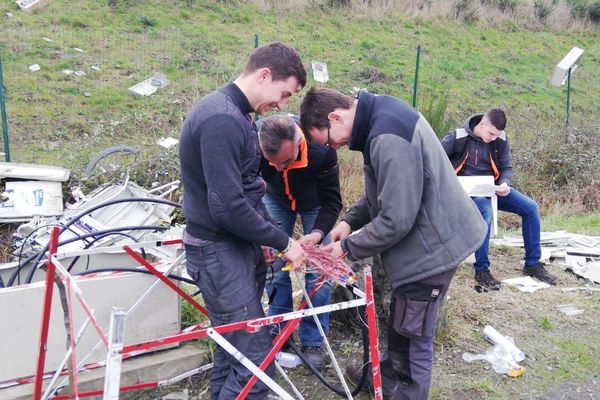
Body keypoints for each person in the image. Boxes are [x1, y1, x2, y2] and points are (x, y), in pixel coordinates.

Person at [299, 87, 487, 400]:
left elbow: (396, 219)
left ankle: (409, 391)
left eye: (331, 139)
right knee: (404, 315)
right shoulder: (379, 116)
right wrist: (349, 222)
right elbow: (383, 189)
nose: (336, 146)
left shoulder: (387, 136)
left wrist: (346, 249)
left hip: (433, 246)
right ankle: (387, 377)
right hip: (426, 237)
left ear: (335, 116)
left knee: (414, 331)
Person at [179, 42, 307, 400]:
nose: (282, 106)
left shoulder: (238, 116)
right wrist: (283, 241)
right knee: (256, 366)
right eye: (284, 94)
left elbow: (248, 189)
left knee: (232, 351)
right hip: (219, 253)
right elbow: (228, 207)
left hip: (234, 248)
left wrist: (264, 238)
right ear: (264, 75)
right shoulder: (221, 119)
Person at [257, 114, 342, 370]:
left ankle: (313, 340)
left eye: (286, 161)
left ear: (299, 142)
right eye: (273, 163)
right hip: (274, 200)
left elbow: (331, 202)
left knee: (318, 273)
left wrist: (317, 233)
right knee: (275, 266)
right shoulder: (253, 142)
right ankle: (279, 330)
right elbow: (247, 187)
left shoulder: (322, 151)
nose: (280, 168)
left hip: (315, 204)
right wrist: (263, 237)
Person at [441, 108, 558, 290]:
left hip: (493, 189)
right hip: (463, 192)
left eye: (497, 135)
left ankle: (532, 264)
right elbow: (435, 161)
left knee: (531, 208)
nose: (493, 138)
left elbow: (507, 168)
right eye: (491, 133)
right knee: (485, 212)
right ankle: (482, 270)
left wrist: (505, 183)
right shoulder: (457, 137)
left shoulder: (500, 139)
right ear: (482, 124)